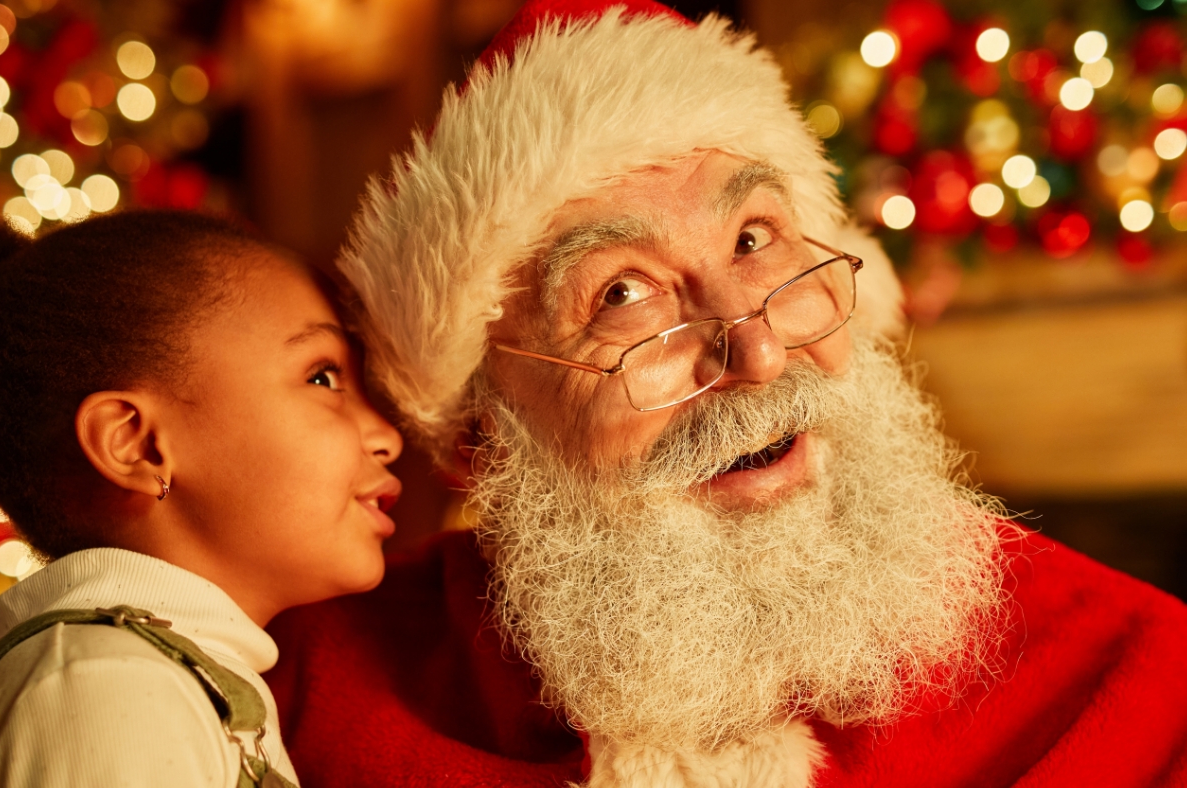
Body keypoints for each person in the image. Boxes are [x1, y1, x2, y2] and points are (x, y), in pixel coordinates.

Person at [264, 1, 1187, 787]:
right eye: (621, 294)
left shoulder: (1132, 672)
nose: (757, 350)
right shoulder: (301, 692)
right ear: (481, 439)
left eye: (754, 239)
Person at [0, 211, 403, 788]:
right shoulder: (110, 685)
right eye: (323, 378)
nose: (387, 436)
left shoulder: (163, 677)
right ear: (136, 444)